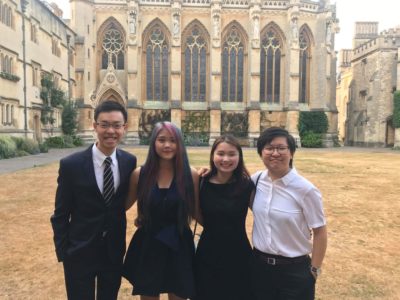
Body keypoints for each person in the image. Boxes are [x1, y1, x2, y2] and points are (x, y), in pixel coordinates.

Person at [50, 100, 137, 300]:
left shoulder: (129, 162)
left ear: (125, 127)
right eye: (104, 124)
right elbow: (60, 214)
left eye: (117, 125)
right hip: (79, 252)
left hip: (113, 252)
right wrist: (64, 252)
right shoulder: (71, 165)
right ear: (94, 125)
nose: (111, 131)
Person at [123, 121, 199, 300]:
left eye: (173, 140)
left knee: (179, 295)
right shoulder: (139, 175)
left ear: (179, 143)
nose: (167, 145)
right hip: (149, 243)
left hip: (179, 243)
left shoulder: (191, 174)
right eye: (162, 140)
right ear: (153, 143)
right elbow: (122, 206)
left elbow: (197, 211)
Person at [251, 127, 327, 300]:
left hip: (294, 271)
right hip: (259, 268)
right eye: (269, 148)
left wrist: (314, 270)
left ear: (291, 153)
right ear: (261, 152)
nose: (275, 153)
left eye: (281, 148)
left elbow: (320, 232)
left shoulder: (306, 189)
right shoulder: (256, 181)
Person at [194, 135, 254, 300]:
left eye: (232, 154)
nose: (226, 159)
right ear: (213, 156)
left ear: (239, 157)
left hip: (238, 255)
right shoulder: (201, 182)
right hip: (207, 254)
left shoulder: (246, 185)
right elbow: (195, 211)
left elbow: (265, 213)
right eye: (220, 153)